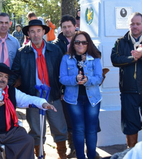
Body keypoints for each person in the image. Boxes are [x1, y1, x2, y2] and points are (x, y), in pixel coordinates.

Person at [0, 63, 57, 159]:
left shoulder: (11, 90)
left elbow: (26, 98)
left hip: (9, 131)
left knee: (27, 140)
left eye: (6, 77)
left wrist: (43, 103)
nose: (3, 79)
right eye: (0, 75)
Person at [10, 19, 67, 159]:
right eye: (32, 31)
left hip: (52, 94)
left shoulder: (55, 50)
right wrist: (3, 88)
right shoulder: (22, 52)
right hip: (33, 95)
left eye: (38, 31)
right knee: (36, 130)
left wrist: (63, 91)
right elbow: (14, 73)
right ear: (28, 34)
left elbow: (63, 71)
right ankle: (39, 154)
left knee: (59, 127)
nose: (36, 34)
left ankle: (62, 155)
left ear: (43, 32)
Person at [60, 31, 103, 159]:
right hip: (73, 99)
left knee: (91, 130)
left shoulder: (94, 58)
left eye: (84, 42)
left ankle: (91, 156)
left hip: (92, 99)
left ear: (88, 44)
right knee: (78, 129)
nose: (80, 44)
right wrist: (74, 79)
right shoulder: (66, 58)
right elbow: (62, 78)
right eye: (77, 42)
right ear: (73, 44)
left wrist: (87, 79)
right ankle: (80, 157)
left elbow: (99, 78)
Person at [111, 12, 142, 148]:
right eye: (132, 23)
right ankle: (131, 153)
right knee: (130, 124)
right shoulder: (120, 42)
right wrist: (133, 58)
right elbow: (115, 60)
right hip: (128, 90)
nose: (134, 26)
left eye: (138, 24)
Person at [53, 14, 77, 157]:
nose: (67, 29)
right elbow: (55, 70)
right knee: (69, 119)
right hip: (65, 88)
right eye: (64, 27)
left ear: (75, 26)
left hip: (82, 87)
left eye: (69, 26)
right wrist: (60, 90)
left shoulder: (83, 40)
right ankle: (72, 147)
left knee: (83, 118)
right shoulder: (56, 46)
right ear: (61, 29)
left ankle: (84, 148)